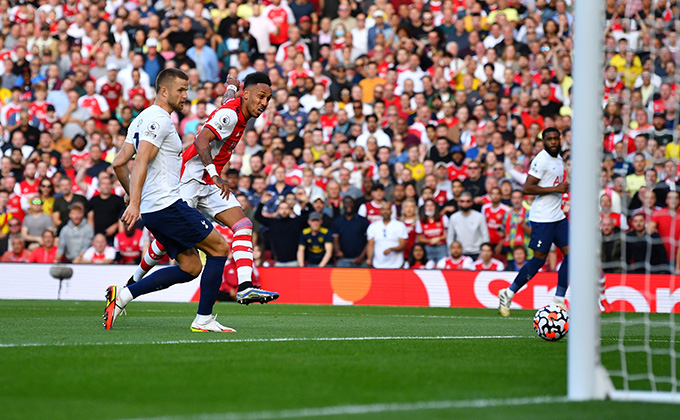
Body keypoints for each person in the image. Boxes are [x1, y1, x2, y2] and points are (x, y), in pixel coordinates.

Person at [121, 72, 279, 307]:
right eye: (260, 96)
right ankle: (132, 282)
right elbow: (201, 141)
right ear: (246, 95)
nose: (264, 103)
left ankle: (245, 287)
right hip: (190, 179)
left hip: (209, 182)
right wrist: (215, 174)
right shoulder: (230, 115)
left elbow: (227, 101)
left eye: (268, 98)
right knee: (168, 240)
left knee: (243, 225)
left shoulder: (236, 108)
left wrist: (230, 87)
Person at [105, 68, 234, 333]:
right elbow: (140, 160)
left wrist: (132, 193)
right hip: (167, 205)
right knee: (220, 248)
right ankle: (204, 319)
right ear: (164, 91)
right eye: (181, 90)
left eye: (187, 90)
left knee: (190, 266)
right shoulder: (159, 119)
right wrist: (134, 202)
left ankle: (123, 296)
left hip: (156, 209)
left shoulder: (141, 119)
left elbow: (119, 163)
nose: (185, 95)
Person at [498, 128, 570, 317]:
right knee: (539, 259)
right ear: (544, 142)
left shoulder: (559, 158)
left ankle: (559, 299)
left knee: (573, 255)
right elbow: (528, 188)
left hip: (558, 216)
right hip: (542, 218)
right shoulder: (541, 159)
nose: (553, 142)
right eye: (549, 139)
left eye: (556, 138)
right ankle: (509, 292)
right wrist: (556, 189)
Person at [446, 191, 489, 260]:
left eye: (467, 201)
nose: (465, 204)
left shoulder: (479, 217)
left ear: (471, 203)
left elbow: (485, 236)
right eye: (462, 201)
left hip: (477, 253)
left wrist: (482, 254)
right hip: (460, 254)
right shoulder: (454, 217)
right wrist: (451, 253)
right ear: (458, 203)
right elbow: (450, 237)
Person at [366, 202, 408, 269]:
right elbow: (370, 244)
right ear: (380, 211)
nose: (385, 211)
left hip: (396, 265)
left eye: (388, 209)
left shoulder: (399, 225)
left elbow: (403, 245)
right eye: (383, 209)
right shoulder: (373, 226)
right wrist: (369, 259)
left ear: (391, 211)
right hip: (378, 265)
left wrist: (391, 249)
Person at [331, 196, 369, 268]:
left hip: (360, 260)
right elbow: (335, 238)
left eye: (350, 203)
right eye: (346, 203)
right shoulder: (337, 221)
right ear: (343, 205)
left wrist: (361, 257)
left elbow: (368, 241)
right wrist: (338, 251)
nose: (348, 205)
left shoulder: (363, 221)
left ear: (354, 204)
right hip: (343, 260)